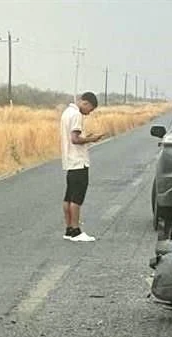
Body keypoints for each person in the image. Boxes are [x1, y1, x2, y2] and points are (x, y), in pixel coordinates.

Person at [59, 92, 103, 242]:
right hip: (79, 162)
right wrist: (92, 139)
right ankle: (76, 231)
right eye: (90, 109)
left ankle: (69, 229)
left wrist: (86, 137)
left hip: (69, 161)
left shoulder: (66, 113)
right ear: (85, 103)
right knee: (77, 198)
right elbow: (75, 139)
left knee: (68, 197)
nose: (89, 113)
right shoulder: (77, 115)